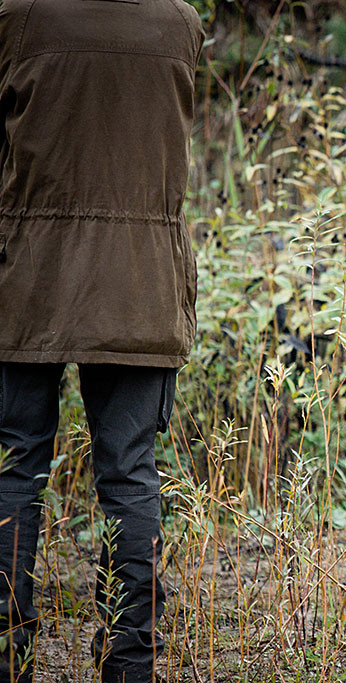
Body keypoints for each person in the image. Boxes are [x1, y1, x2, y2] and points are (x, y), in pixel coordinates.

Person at [0, 1, 204, 681]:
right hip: (141, 282)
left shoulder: (21, 17)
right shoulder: (178, 23)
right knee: (130, 475)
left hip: (28, 280)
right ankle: (129, 661)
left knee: (14, 472)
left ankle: (7, 652)